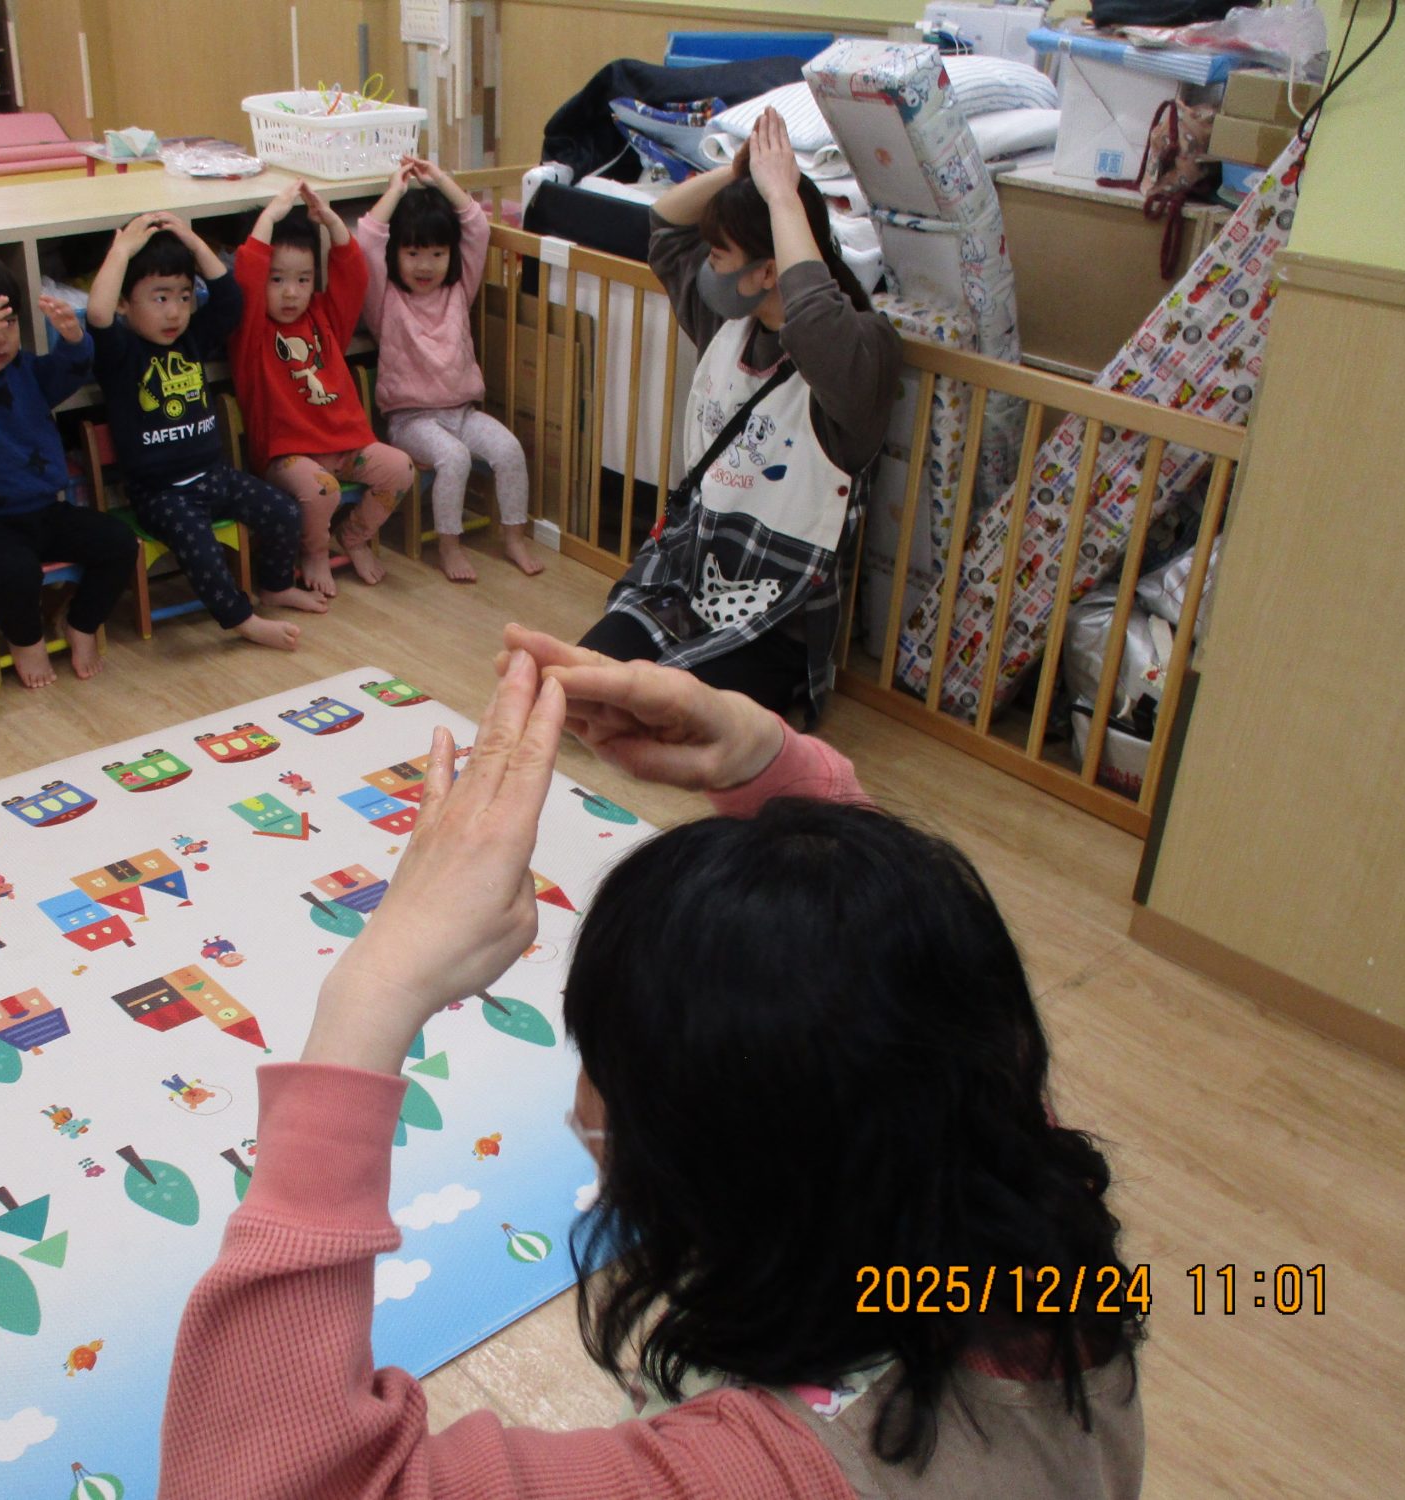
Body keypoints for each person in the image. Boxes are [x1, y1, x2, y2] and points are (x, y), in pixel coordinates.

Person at [156, 625, 1146, 1498]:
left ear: (709, 1169)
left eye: (601, 1054)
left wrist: (370, 994)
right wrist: (773, 764)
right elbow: (903, 1004)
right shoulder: (1022, 1220)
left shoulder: (758, 1478)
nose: (584, 1095)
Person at [582, 108, 902, 726]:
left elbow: (815, 321)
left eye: (720, 256)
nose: (708, 269)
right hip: (688, 575)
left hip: (777, 614)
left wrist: (783, 197)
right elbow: (665, 225)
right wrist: (740, 176)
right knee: (587, 684)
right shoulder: (729, 322)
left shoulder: (860, 351)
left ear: (769, 271)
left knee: (666, 718)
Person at [86, 211, 325, 651]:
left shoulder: (192, 337)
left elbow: (230, 298)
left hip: (213, 475)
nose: (175, 311)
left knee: (283, 511)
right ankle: (242, 620)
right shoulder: (121, 352)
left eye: (183, 296)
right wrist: (121, 251)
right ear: (125, 303)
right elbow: (97, 315)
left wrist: (195, 243)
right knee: (200, 544)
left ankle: (275, 586)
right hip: (160, 492)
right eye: (160, 298)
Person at [0, 241, 138, 687]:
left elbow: (68, 372)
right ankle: (26, 642)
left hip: (43, 512)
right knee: (14, 572)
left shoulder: (25, 370)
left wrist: (73, 340)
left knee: (118, 542)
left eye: (9, 324)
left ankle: (81, 624)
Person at [357, 156, 538, 583]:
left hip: (462, 412)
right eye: (413, 253)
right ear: (396, 254)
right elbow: (367, 240)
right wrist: (395, 191)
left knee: (510, 449)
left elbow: (477, 227)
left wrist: (440, 179)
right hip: (411, 420)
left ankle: (514, 537)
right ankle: (449, 547)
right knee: (454, 459)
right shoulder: (386, 300)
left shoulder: (458, 289)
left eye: (437, 254)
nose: (425, 265)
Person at [231, 180, 414, 592]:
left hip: (346, 446)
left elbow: (353, 274)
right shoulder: (251, 330)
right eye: (277, 280)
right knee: (322, 490)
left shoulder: (323, 315)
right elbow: (247, 274)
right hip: (287, 456)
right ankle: (314, 552)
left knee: (400, 469)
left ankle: (352, 538)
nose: (291, 292)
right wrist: (270, 217)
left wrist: (331, 222)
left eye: (303, 279)